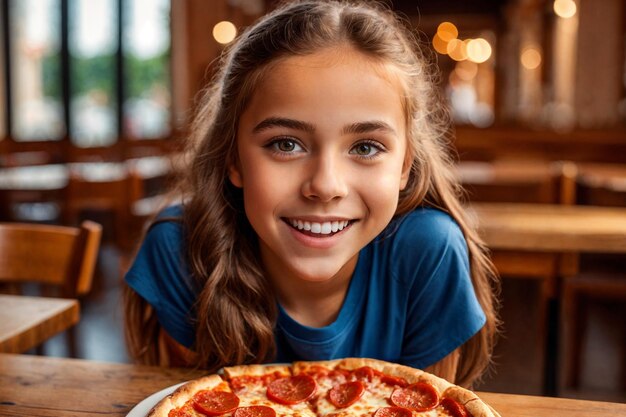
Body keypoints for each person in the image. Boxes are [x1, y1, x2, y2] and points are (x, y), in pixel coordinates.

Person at [123, 0, 500, 388]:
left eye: (366, 147)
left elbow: (431, 409)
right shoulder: (179, 251)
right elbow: (186, 405)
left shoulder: (429, 251)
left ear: (404, 166)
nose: (325, 185)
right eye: (285, 144)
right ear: (233, 158)